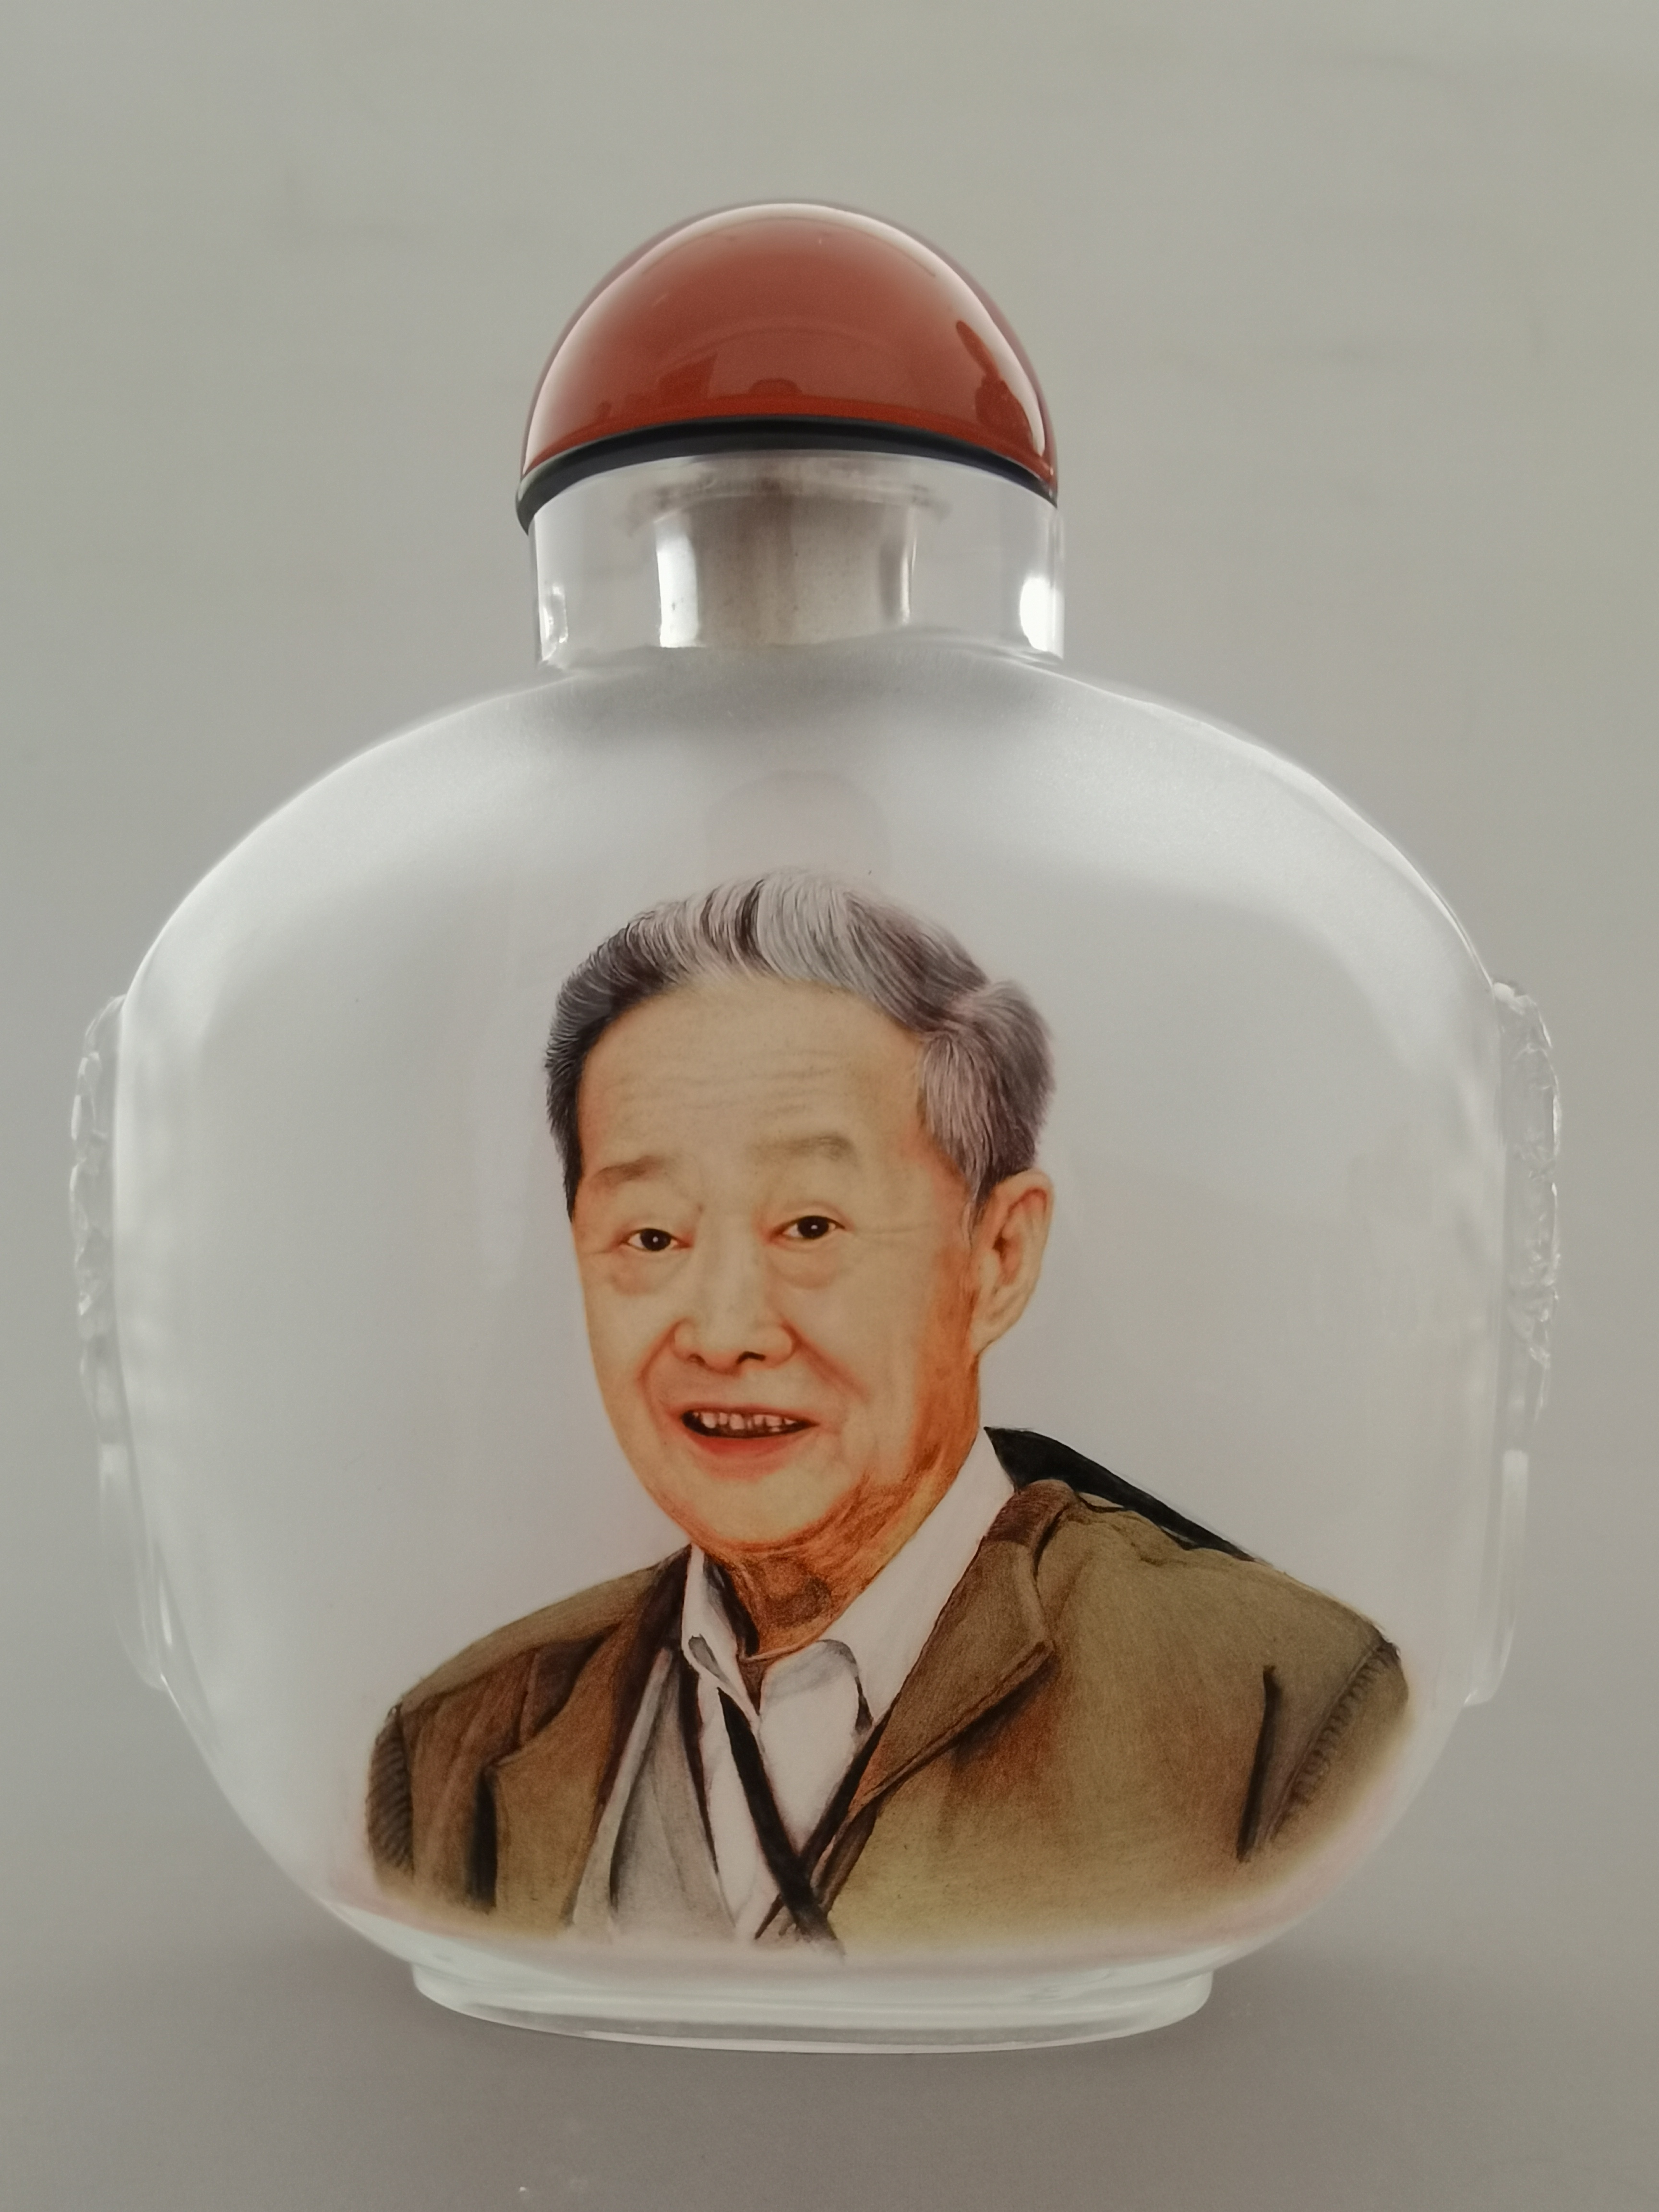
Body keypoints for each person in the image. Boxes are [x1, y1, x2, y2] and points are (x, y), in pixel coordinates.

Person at [367, 873, 1406, 1949]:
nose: (723, 1331)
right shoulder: (459, 1747)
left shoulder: (1272, 1703)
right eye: (653, 1236)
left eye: (811, 1227)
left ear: (997, 1258)